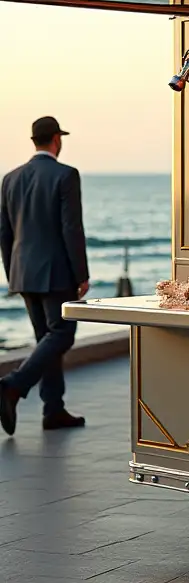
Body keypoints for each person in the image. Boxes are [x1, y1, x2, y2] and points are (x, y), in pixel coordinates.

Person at [0, 117, 89, 435]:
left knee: (46, 339)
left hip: (23, 272)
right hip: (56, 273)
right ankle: (12, 385)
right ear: (56, 139)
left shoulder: (10, 178)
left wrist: (12, 272)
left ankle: (53, 410)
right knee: (62, 335)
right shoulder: (66, 175)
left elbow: (4, 233)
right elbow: (71, 228)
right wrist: (81, 273)